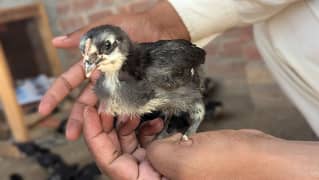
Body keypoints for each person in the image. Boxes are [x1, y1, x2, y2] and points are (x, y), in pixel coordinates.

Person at [39, 0, 319, 179]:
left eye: (105, 49)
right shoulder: (114, 77)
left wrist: (268, 162)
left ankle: (184, 130)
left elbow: (190, 57)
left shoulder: (161, 75)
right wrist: (164, 20)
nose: (92, 63)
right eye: (88, 56)